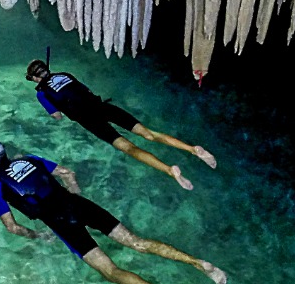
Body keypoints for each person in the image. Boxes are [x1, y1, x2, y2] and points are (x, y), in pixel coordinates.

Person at [0, 136, 226, 284]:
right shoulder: (29, 158)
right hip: (78, 205)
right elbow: (67, 173)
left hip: (62, 223)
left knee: (111, 271)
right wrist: (75, 195)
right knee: (137, 242)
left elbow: (12, 226)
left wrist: (39, 236)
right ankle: (197, 263)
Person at [24, 59, 216, 190]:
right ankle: (193, 149)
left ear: (35, 77)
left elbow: (57, 116)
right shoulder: (66, 75)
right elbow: (84, 90)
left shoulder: (42, 93)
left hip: (91, 121)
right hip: (103, 107)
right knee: (149, 134)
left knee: (129, 148)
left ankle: (169, 171)